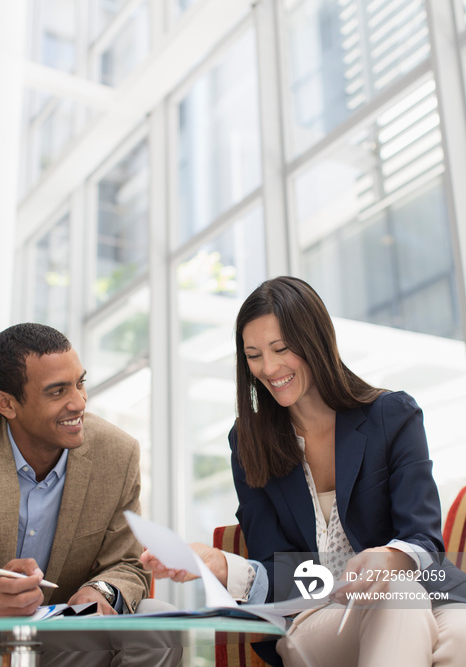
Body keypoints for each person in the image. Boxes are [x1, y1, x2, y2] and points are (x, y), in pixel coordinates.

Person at [142, 276, 466, 667]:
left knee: (457, 633)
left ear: (315, 340)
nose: (269, 367)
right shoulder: (248, 443)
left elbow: (423, 536)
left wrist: (390, 558)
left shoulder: (392, 415)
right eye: (254, 354)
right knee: (396, 595)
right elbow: (273, 562)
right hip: (317, 615)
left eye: (281, 348)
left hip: (428, 594)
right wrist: (221, 564)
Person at [0, 322, 182, 666]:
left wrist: (100, 593)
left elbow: (127, 562)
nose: (78, 403)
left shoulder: (117, 453)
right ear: (7, 404)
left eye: (80, 383)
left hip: (63, 632)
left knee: (157, 618)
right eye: (57, 392)